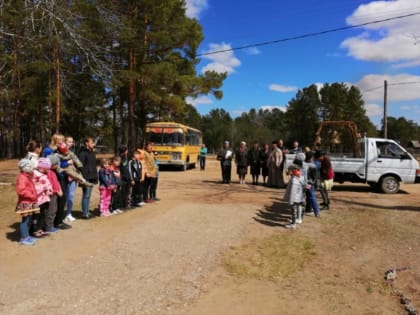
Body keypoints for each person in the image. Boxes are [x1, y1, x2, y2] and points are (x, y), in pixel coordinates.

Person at [15, 159, 39, 245]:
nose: (33, 170)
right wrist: (32, 195)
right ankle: (23, 237)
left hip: (31, 202)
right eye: (32, 168)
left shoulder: (28, 176)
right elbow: (21, 191)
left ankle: (27, 235)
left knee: (29, 219)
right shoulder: (22, 178)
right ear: (27, 168)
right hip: (25, 202)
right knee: (25, 220)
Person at [31, 157, 53, 238]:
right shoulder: (35, 176)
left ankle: (39, 229)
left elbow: (48, 184)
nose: (47, 171)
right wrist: (44, 188)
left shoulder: (43, 175)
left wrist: (49, 189)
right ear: (41, 168)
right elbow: (36, 188)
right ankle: (34, 230)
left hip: (44, 198)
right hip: (38, 200)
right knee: (36, 215)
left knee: (43, 214)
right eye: (45, 169)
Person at [78, 137, 98, 219]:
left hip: (92, 177)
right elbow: (80, 166)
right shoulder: (82, 153)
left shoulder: (92, 153)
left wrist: (95, 177)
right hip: (86, 177)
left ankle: (87, 211)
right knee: (86, 195)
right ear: (87, 143)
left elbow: (94, 166)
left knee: (89, 195)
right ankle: (85, 213)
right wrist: (83, 178)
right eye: (92, 142)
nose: (93, 144)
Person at [44, 154, 63, 233]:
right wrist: (56, 191)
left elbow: (56, 182)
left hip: (55, 194)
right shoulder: (48, 173)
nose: (57, 165)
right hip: (51, 194)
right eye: (56, 164)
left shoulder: (53, 172)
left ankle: (50, 225)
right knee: (50, 210)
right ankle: (48, 227)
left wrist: (59, 189)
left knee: (54, 209)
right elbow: (50, 184)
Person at [283, 164, 305, 229]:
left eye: (289, 171)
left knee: (293, 211)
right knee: (295, 211)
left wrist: (291, 201)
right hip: (298, 197)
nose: (288, 172)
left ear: (292, 171)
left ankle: (293, 224)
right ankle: (295, 221)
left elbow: (293, 191)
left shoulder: (294, 180)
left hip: (294, 198)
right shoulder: (300, 177)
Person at [64, 136, 79, 223]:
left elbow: (75, 165)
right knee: (65, 197)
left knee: (71, 196)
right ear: (65, 142)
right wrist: (67, 162)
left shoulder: (72, 153)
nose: (71, 143)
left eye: (72, 142)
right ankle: (62, 214)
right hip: (65, 178)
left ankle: (68, 213)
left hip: (73, 178)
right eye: (69, 142)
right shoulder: (60, 152)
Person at [302, 151, 320, 217]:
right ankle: (316, 211)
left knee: (307, 197)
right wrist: (311, 183)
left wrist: (309, 183)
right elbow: (314, 177)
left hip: (304, 183)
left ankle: (315, 211)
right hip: (308, 184)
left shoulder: (303, 164)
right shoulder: (313, 165)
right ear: (312, 157)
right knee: (311, 197)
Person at [118, 145, 132, 209]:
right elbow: (120, 168)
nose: (127, 151)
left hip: (127, 177)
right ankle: (122, 205)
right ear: (124, 151)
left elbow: (127, 168)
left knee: (127, 192)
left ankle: (126, 204)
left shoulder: (127, 158)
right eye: (126, 150)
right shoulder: (120, 158)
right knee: (123, 192)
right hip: (122, 178)